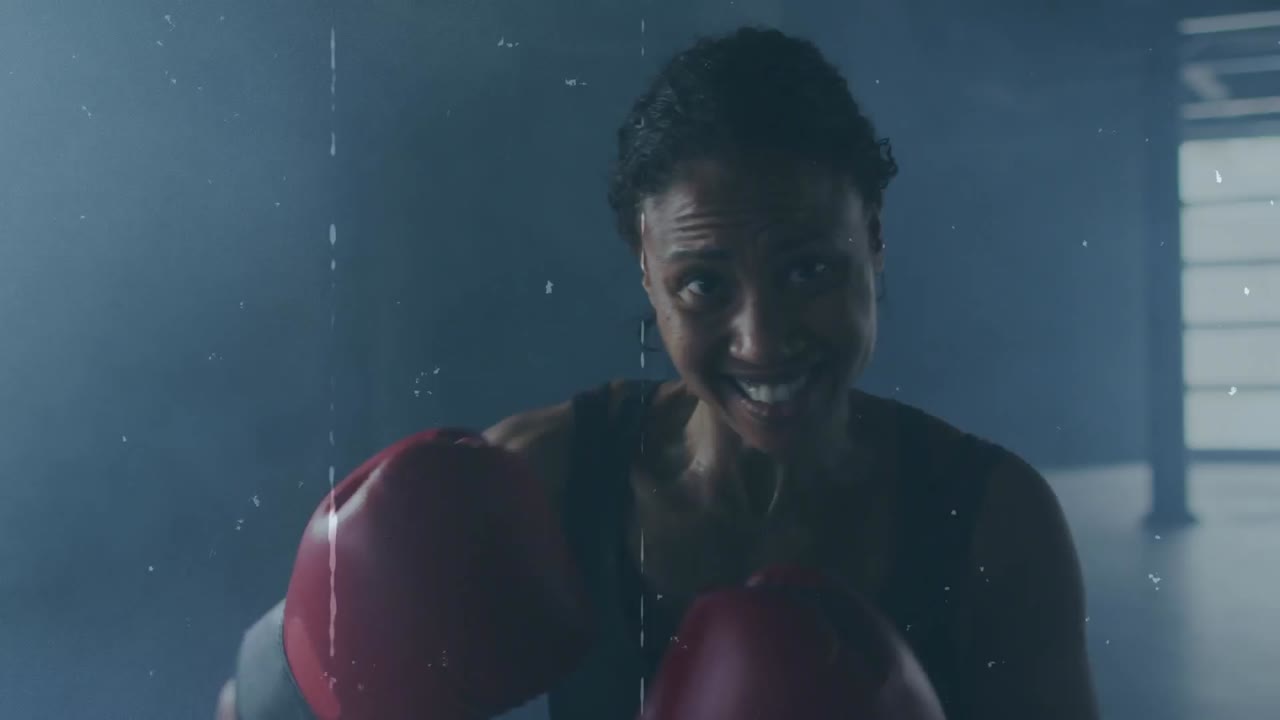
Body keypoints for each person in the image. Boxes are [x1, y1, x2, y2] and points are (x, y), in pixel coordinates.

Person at [218, 26, 1098, 720]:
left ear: (873, 240)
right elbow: (251, 713)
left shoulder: (989, 522)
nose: (762, 339)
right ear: (648, 273)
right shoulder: (546, 476)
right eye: (704, 284)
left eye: (808, 271)